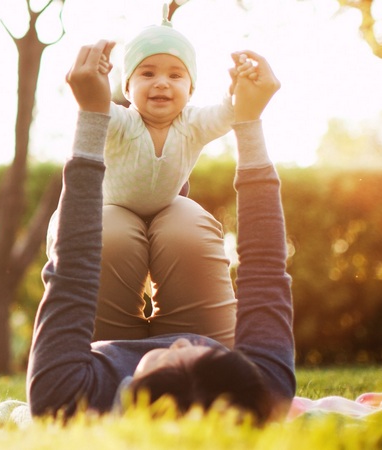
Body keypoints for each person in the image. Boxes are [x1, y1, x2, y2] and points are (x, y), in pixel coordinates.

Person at [27, 40, 294, 423]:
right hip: (178, 240)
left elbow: (71, 273)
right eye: (204, 359)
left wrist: (91, 117)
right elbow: (266, 269)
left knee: (111, 233)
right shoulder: (263, 393)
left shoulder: (65, 400)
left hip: (100, 332)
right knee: (183, 224)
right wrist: (249, 122)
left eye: (180, 362)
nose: (185, 343)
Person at [49, 3, 244, 345]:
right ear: (127, 87)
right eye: (148, 73)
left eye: (175, 75)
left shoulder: (192, 124)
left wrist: (237, 91)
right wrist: (92, 87)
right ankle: (108, 346)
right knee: (114, 239)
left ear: (191, 89)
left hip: (167, 211)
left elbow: (227, 114)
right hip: (111, 210)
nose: (161, 84)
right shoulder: (125, 123)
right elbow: (98, 110)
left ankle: (192, 347)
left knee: (187, 234)